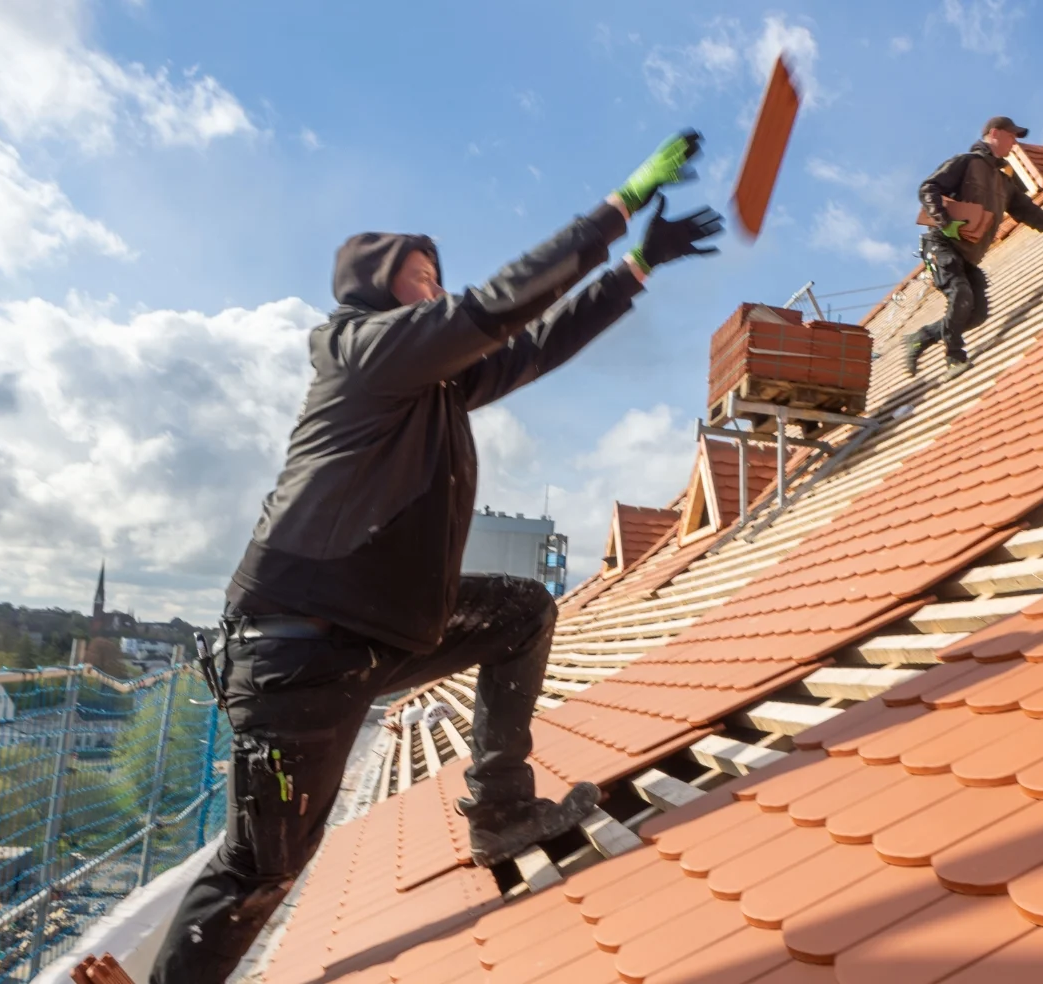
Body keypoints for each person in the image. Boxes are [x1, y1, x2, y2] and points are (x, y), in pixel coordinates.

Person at [146, 131, 723, 984]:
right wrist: (621, 203)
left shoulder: (436, 382)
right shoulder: (362, 351)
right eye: (422, 278)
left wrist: (632, 272)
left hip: (376, 634)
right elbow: (496, 307)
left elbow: (530, 347)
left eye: (437, 278)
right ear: (378, 290)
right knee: (261, 867)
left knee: (521, 609)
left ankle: (499, 810)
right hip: (297, 655)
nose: (438, 290)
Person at [910, 115, 1043, 378]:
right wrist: (945, 221)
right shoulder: (966, 162)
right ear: (994, 133)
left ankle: (923, 336)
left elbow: (1033, 215)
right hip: (941, 244)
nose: (1015, 142)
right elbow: (928, 188)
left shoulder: (1004, 184)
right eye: (1012, 136)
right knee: (960, 295)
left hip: (968, 254)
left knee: (977, 314)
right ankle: (954, 358)